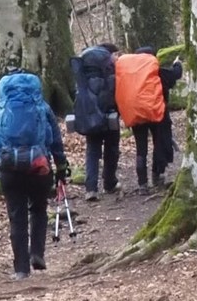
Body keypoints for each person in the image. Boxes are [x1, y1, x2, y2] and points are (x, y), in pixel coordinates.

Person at [0, 69, 68, 279]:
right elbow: (55, 139)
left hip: (8, 167)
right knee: (39, 209)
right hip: (38, 165)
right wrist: (60, 166)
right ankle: (37, 253)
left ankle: (21, 269)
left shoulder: (0, 109)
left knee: (17, 216)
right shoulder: (42, 107)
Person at [115, 47, 181, 189]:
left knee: (141, 148)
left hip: (136, 114)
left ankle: (142, 184)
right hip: (157, 114)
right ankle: (157, 177)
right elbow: (176, 75)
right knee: (159, 144)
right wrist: (177, 64)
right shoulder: (157, 72)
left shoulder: (128, 76)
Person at [70, 44, 121, 201]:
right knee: (111, 150)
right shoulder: (111, 75)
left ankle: (91, 188)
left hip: (90, 118)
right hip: (109, 115)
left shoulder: (82, 79)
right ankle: (109, 182)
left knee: (92, 151)